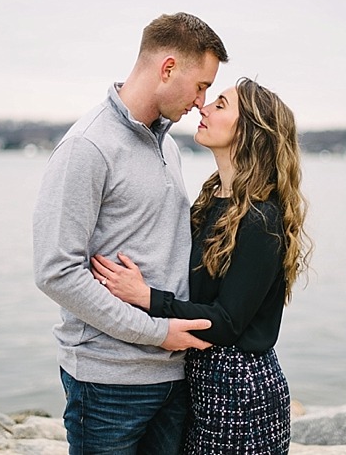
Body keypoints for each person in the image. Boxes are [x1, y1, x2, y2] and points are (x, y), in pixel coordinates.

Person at [32, 12, 229, 455]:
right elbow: (55, 272)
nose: (202, 101)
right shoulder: (88, 146)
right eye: (201, 86)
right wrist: (157, 333)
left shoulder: (169, 144)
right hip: (107, 384)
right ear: (168, 68)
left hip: (174, 374)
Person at [90, 77, 312, 454]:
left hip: (240, 391)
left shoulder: (262, 219)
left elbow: (226, 322)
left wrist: (148, 297)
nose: (203, 107)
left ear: (251, 132)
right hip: (201, 380)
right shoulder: (211, 202)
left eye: (221, 104)